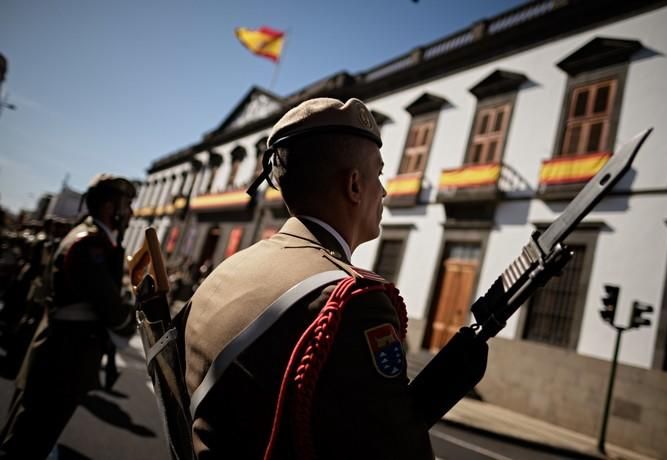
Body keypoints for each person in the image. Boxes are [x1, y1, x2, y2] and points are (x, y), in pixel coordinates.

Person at [184, 98, 488, 460]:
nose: (384, 190)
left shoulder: (229, 269)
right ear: (355, 186)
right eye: (378, 174)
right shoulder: (352, 304)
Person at [0, 174, 137, 459]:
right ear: (110, 208)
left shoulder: (92, 239)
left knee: (29, 437)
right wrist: (133, 304)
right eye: (127, 205)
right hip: (62, 359)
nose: (131, 213)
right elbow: (113, 312)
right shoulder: (90, 244)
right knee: (26, 444)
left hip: (62, 356)